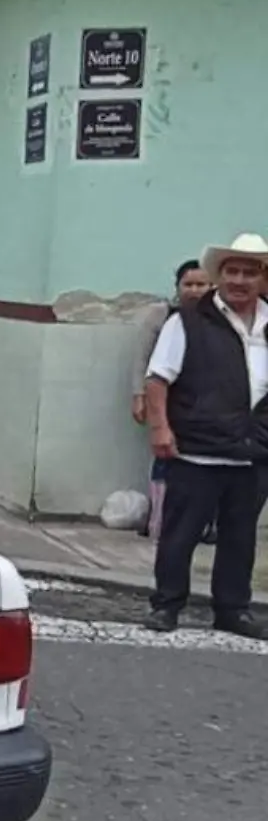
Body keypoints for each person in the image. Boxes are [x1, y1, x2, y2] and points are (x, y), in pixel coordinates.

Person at [140, 233, 268, 637]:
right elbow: (158, 379)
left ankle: (233, 609)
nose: (240, 280)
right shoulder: (189, 320)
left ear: (262, 279)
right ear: (219, 276)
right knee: (181, 534)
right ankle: (167, 605)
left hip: (253, 452)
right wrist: (160, 428)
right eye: (232, 271)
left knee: (240, 538)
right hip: (197, 450)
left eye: (250, 272)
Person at [130, 259, 212, 539]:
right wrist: (138, 395)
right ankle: (159, 520)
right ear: (177, 287)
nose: (195, 290)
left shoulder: (219, 318)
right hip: (165, 400)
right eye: (188, 284)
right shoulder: (164, 315)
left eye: (202, 284)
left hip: (205, 406)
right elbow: (143, 357)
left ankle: (202, 525)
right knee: (165, 458)